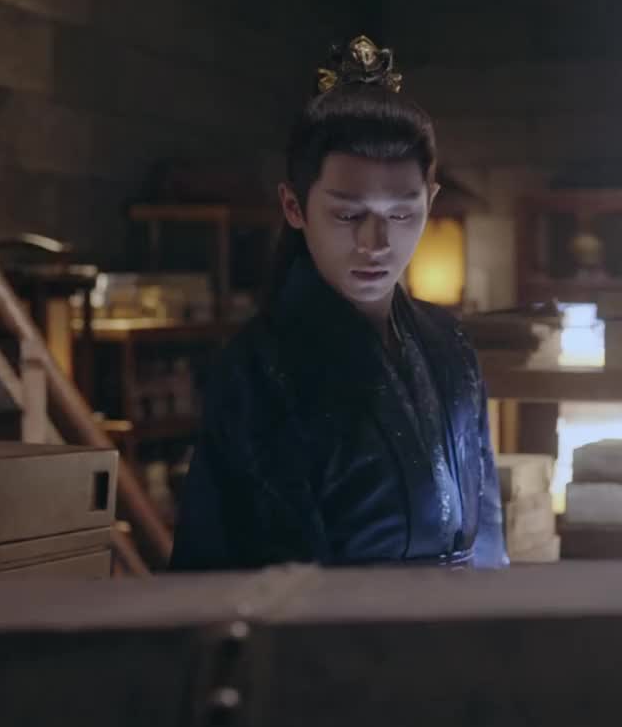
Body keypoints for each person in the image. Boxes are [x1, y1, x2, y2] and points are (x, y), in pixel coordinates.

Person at [171, 36, 507, 570]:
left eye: (402, 214)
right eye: (348, 215)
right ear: (294, 206)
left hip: (468, 618)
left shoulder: (448, 343)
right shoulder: (260, 369)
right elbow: (269, 579)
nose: (376, 243)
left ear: (430, 201)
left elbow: (487, 529)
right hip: (335, 622)